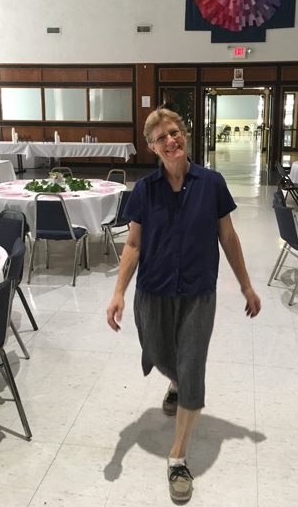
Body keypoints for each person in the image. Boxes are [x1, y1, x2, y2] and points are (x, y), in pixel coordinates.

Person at [106, 107, 261, 502]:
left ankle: (177, 458)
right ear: (152, 147)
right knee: (158, 353)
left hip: (197, 292)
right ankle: (173, 381)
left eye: (174, 132)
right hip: (153, 289)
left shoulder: (211, 183)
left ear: (185, 134)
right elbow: (134, 243)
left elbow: (228, 238)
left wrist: (246, 286)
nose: (170, 141)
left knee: (192, 369)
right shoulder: (145, 190)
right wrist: (119, 292)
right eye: (161, 137)